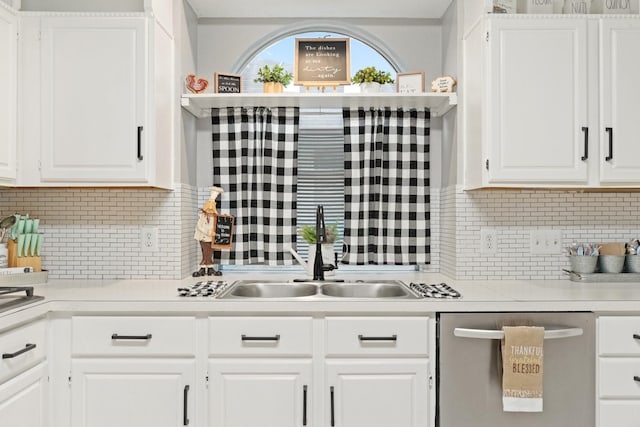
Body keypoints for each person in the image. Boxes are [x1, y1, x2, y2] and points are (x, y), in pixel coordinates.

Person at [192, 186, 224, 277]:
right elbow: (199, 227)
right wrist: (208, 232)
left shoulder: (214, 217)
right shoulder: (202, 217)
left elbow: (218, 224)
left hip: (211, 237)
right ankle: (205, 267)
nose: (210, 211)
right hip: (203, 237)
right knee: (206, 251)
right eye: (208, 209)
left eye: (211, 209)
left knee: (210, 251)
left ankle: (207, 268)